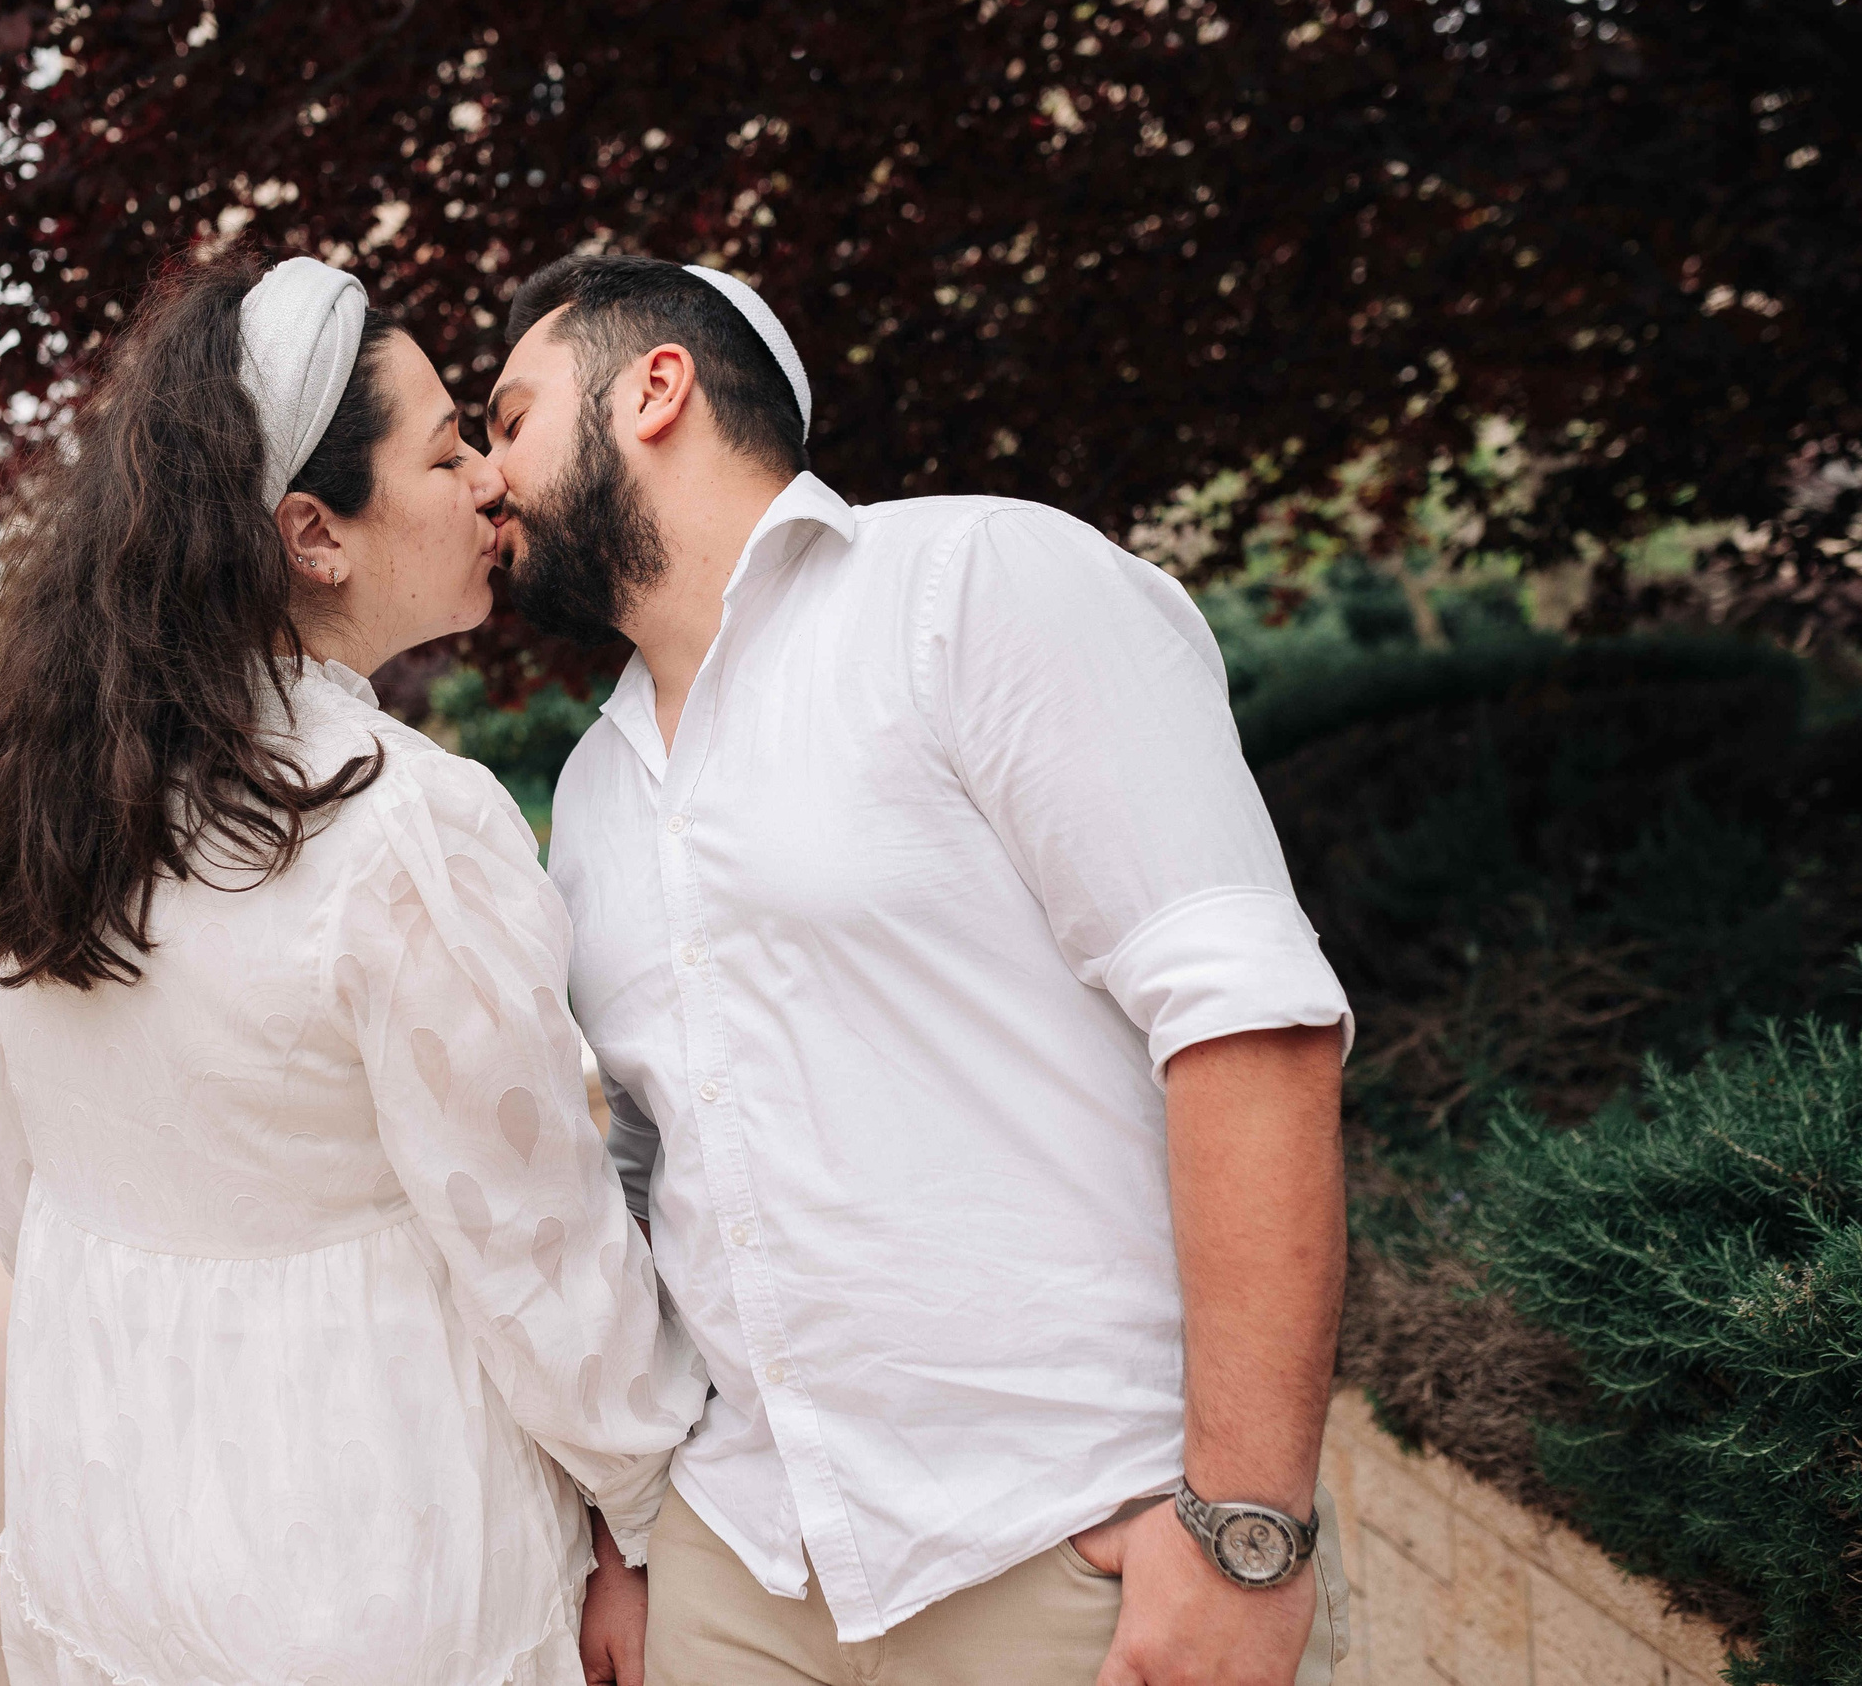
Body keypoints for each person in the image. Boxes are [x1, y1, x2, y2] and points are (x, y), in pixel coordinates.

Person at [485, 253, 1357, 1686]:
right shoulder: (587, 795)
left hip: (1066, 1551)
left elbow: (1246, 1018)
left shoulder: (978, 584)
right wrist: (630, 1542)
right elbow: (648, 1167)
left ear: (655, 389)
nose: (485, 475)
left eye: (510, 419)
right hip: (736, 1566)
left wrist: (1244, 1528)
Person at [0, 252, 704, 1686]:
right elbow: (532, 1239)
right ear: (313, 533)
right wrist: (642, 1512)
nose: (491, 481)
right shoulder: (400, 822)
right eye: (448, 450)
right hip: (372, 1516)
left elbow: (20, 1183)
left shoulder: (27, 805)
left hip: (107, 1494)